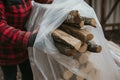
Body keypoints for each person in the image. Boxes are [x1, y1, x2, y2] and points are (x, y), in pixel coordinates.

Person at [0, 0, 53, 80]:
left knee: (28, 72)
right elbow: (1, 28)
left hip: (23, 44)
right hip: (6, 48)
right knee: (10, 75)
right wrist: (29, 38)